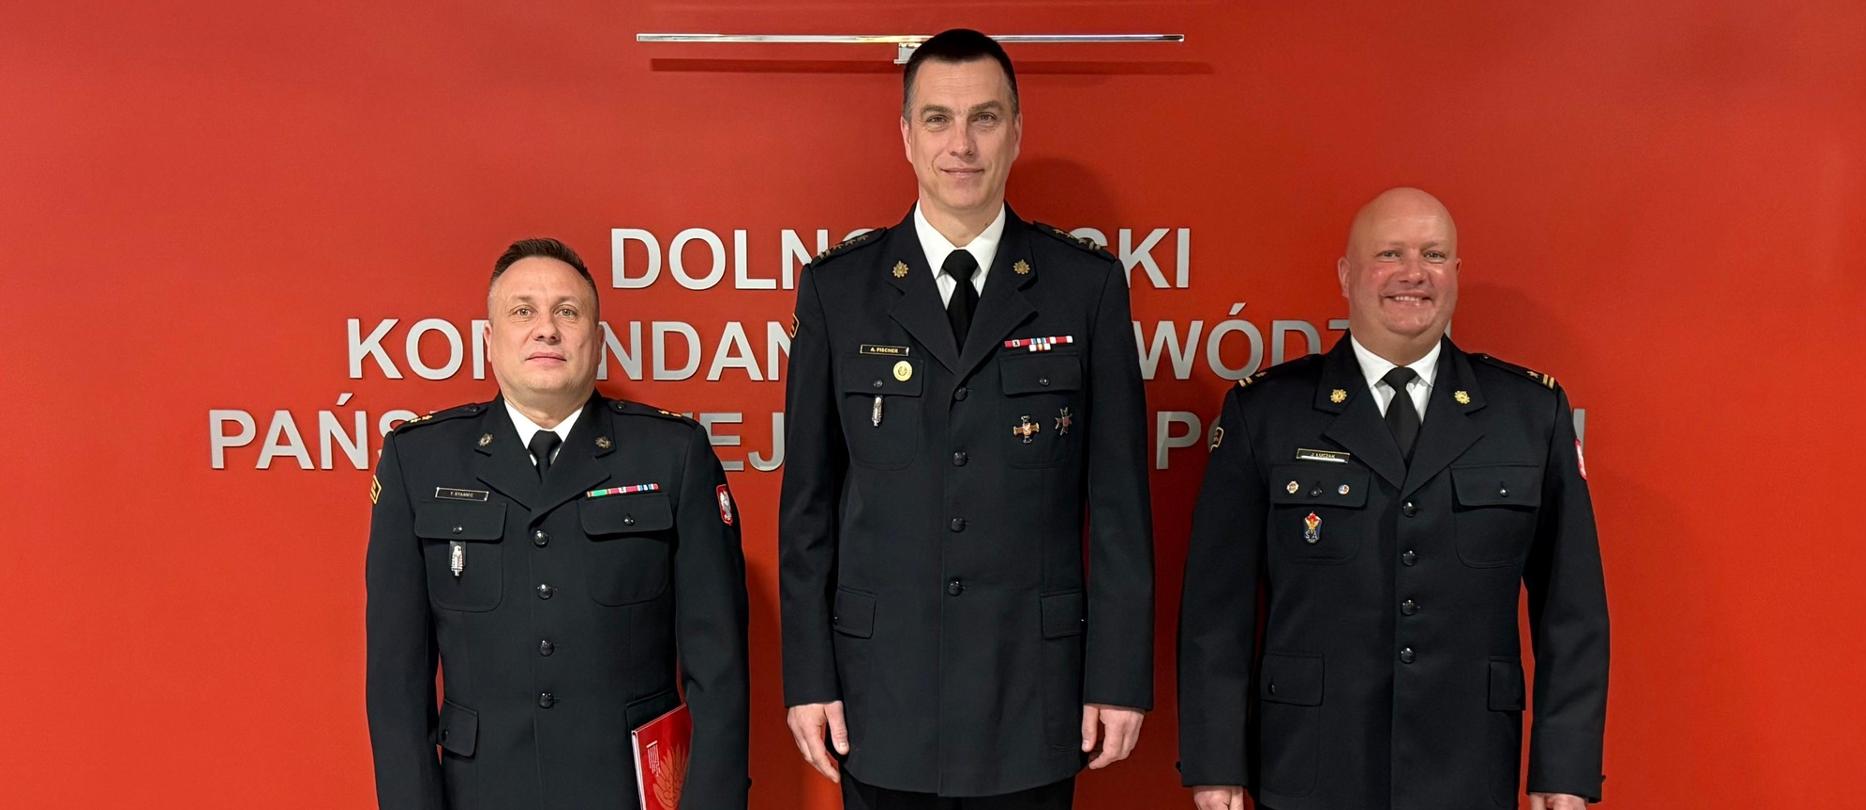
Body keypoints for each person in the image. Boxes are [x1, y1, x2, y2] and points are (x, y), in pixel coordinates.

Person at [779, 28, 1156, 810]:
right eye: (939, 119)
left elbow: (1120, 505)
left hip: (1033, 692)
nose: (962, 144)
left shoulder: (1083, 287)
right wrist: (809, 678)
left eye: (984, 118)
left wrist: (1119, 677)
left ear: (1015, 132)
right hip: (880, 695)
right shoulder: (839, 291)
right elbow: (808, 509)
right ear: (906, 136)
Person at [1177, 188, 1609, 810]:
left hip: (1468, 768)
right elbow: (1217, 610)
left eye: (1433, 255)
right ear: (1346, 274)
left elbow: (1573, 611)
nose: (1414, 273)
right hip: (1310, 765)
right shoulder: (1266, 412)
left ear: (1456, 273)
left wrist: (1563, 769)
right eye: (1389, 254)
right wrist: (1216, 762)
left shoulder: (1529, 413)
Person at [365, 238, 750, 809]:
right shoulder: (418, 460)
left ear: (597, 340)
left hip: (629, 794)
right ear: (490, 340)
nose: (546, 329)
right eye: (523, 311)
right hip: (481, 794)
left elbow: (720, 670)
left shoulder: (674, 454)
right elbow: (396, 683)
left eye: (567, 312)